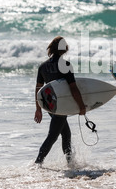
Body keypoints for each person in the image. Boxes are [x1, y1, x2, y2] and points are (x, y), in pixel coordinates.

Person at [34, 36, 86, 165]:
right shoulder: (66, 65)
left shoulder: (43, 66)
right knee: (52, 136)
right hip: (61, 105)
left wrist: (38, 108)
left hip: (50, 105)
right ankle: (37, 163)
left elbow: (38, 90)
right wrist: (81, 106)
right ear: (64, 49)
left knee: (66, 134)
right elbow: (73, 88)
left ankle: (70, 163)